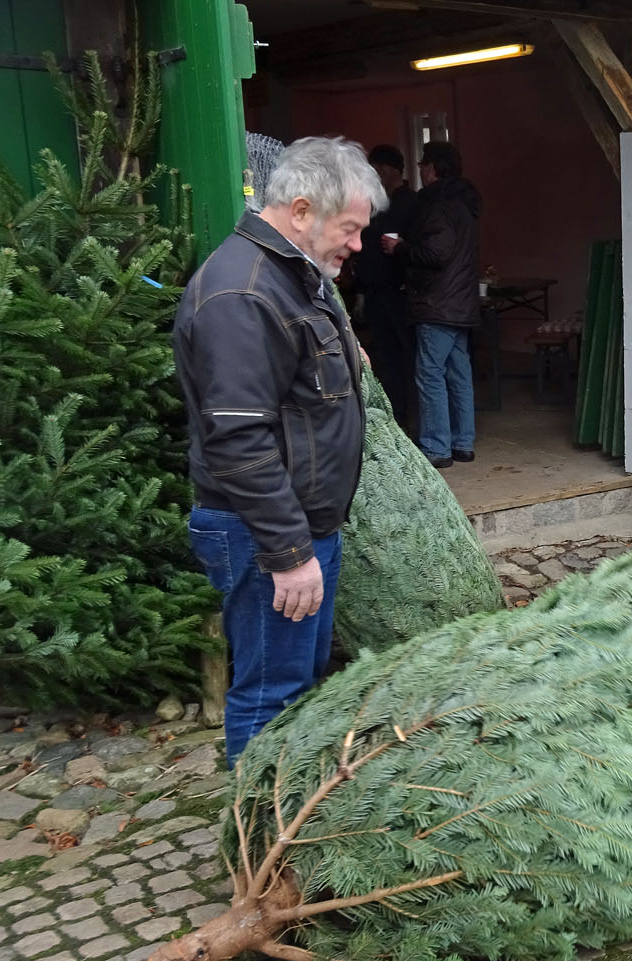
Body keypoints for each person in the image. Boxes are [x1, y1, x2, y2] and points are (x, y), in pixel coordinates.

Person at [173, 136, 386, 764]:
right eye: (348, 229)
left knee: (298, 689)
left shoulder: (296, 276)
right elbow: (239, 438)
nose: (357, 244)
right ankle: (262, 849)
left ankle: (291, 822)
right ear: (300, 211)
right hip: (265, 533)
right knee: (272, 695)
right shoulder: (243, 293)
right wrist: (290, 553)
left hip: (303, 524)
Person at [383, 141, 481, 469]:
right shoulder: (465, 205)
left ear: (435, 168)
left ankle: (436, 447)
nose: (420, 171)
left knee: (430, 374)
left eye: (424, 164)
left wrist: (399, 248)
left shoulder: (438, 205)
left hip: (436, 303)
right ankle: (463, 443)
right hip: (461, 303)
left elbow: (435, 254)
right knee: (459, 373)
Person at [356, 144, 419, 426]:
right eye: (375, 169)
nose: (378, 174)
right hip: (375, 291)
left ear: (395, 170)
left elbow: (420, 250)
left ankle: (412, 416)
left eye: (382, 169)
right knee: (384, 356)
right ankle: (396, 417)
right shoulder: (373, 204)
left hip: (401, 293)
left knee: (409, 357)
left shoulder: (411, 203)